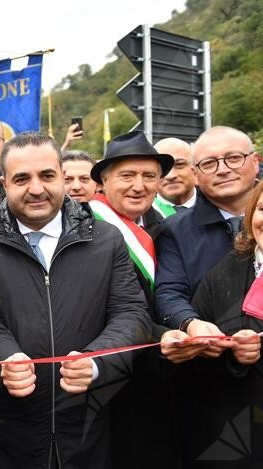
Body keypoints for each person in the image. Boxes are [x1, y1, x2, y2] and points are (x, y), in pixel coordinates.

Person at [0, 132, 151, 468]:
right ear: (4, 183)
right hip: (8, 430)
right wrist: (7, 359)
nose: (36, 189)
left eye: (46, 175)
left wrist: (95, 362)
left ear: (63, 177)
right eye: (22, 178)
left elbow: (131, 313)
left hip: (89, 425)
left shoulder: (105, 238)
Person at [85, 131, 180, 469]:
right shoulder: (81, 228)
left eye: (149, 176)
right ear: (104, 181)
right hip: (111, 379)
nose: (138, 185)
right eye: (127, 176)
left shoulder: (168, 224)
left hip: (170, 373)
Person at [179, 181, 263, 467]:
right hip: (234, 438)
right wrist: (223, 352)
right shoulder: (227, 271)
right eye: (262, 209)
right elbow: (193, 369)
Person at [155, 126, 259, 334]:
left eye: (234, 157)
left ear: (255, 162)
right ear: (195, 174)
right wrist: (190, 323)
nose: (223, 169)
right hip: (209, 352)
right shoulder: (174, 230)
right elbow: (169, 292)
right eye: (209, 163)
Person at [153, 137, 197, 217]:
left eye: (179, 164)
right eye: (162, 168)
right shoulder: (141, 217)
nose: (170, 176)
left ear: (194, 168)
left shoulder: (218, 207)